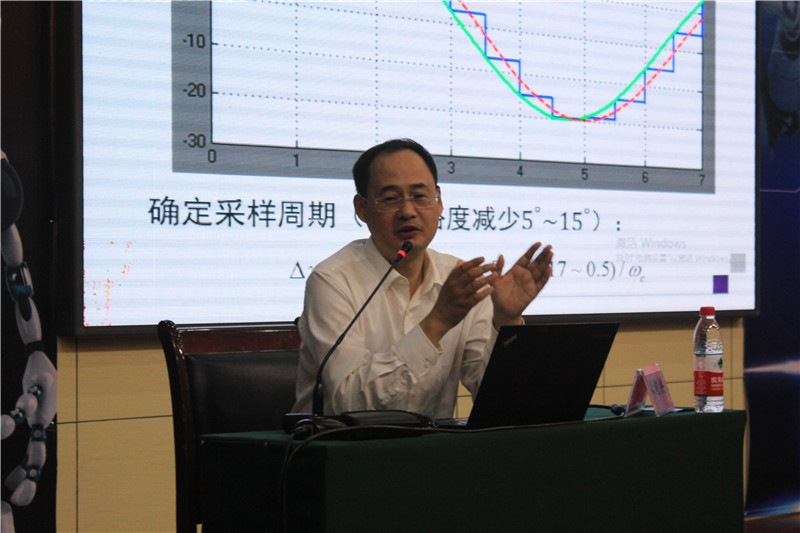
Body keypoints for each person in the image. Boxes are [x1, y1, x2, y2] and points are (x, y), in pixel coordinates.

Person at [292, 139, 553, 418]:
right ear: (362, 208)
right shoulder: (332, 280)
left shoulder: (459, 280)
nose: (407, 212)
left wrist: (506, 321)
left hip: (433, 444)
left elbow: (496, 398)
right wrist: (437, 322)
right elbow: (348, 403)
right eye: (390, 199)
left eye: (419, 196)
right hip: (339, 443)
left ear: (439, 202)